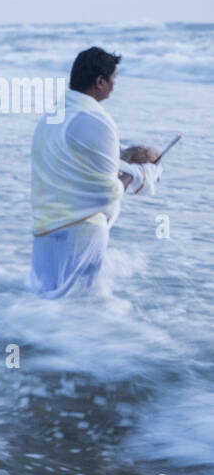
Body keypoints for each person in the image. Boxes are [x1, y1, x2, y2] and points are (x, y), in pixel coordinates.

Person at [28, 48, 162, 298]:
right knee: (78, 309)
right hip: (80, 230)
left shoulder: (54, 115)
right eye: (113, 79)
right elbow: (106, 191)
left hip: (45, 230)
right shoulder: (96, 119)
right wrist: (141, 175)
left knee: (44, 306)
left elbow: (70, 157)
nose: (114, 85)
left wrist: (128, 153)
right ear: (100, 81)